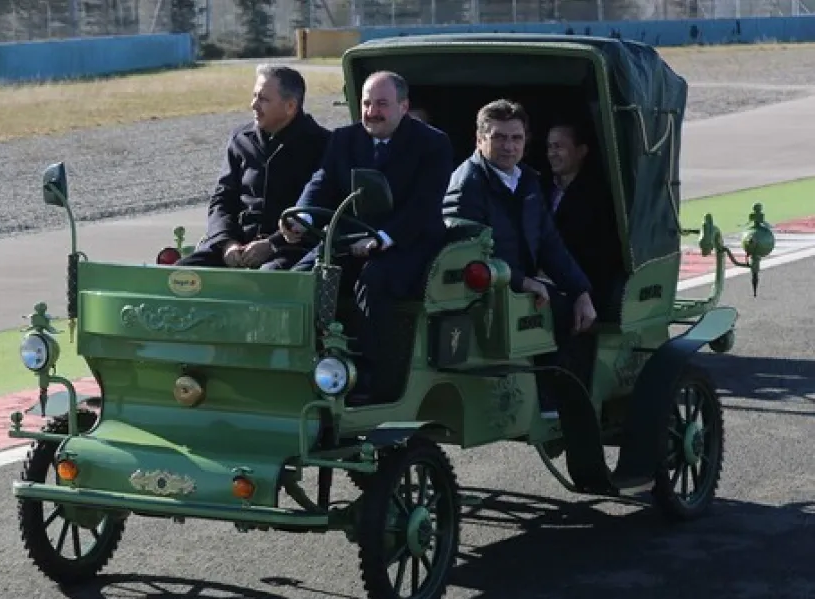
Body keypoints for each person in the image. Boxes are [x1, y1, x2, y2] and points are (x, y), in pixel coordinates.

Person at [291, 70, 454, 405]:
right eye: (366, 103)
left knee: (376, 279)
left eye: (381, 104)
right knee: (300, 278)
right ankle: (301, 365)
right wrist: (302, 215)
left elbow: (424, 207)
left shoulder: (433, 144)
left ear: (404, 106)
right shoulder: (344, 139)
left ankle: (371, 377)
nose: (371, 112)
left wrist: (383, 238)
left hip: (410, 242)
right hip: (353, 237)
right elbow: (321, 182)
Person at [441, 99, 597, 418]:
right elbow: (467, 251)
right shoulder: (467, 184)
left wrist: (581, 290)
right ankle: (552, 403)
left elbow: (550, 244)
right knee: (557, 310)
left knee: (578, 313)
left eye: (516, 138)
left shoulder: (526, 180)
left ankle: (563, 401)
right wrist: (524, 282)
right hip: (480, 290)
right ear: (479, 140)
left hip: (515, 284)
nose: (509, 146)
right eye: (499, 137)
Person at [175, 64, 331, 270]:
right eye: (254, 96)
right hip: (236, 246)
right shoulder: (241, 140)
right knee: (180, 274)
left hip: (290, 250)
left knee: (268, 279)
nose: (253, 104)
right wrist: (226, 243)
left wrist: (273, 244)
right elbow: (222, 198)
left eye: (263, 99)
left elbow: (322, 208)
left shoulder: (323, 145)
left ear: (291, 106)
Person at [544, 120, 624, 307]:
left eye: (559, 147)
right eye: (549, 147)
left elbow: (598, 253)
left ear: (581, 152)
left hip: (581, 285)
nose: (551, 154)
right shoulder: (541, 188)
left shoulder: (597, 196)